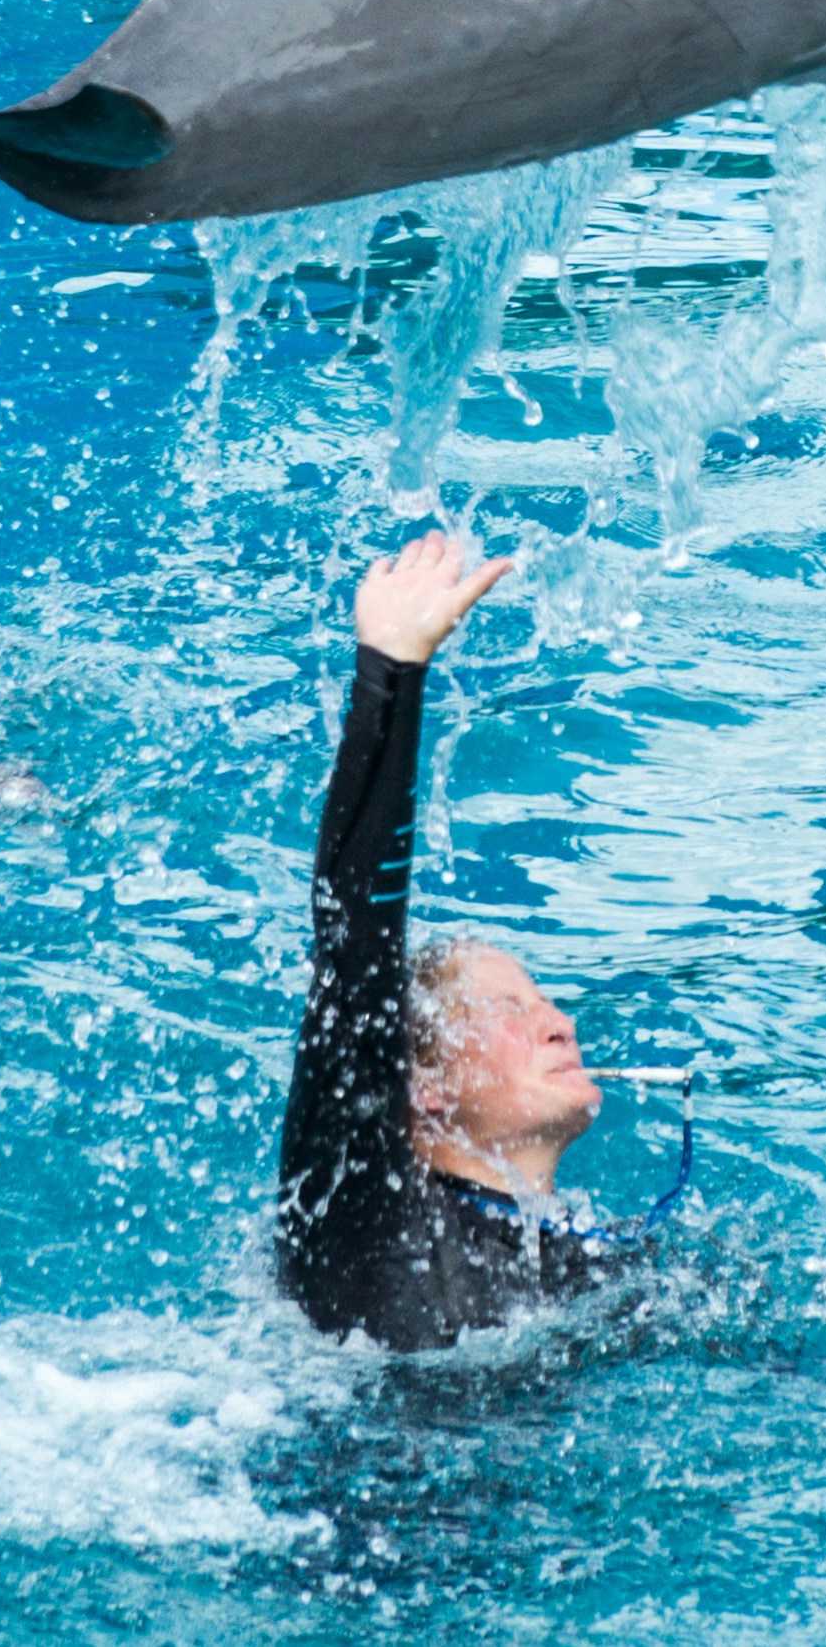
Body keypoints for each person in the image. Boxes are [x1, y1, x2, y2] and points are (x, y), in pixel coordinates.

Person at [275, 526, 625, 1346]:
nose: (558, 1022)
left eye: (542, 1000)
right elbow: (353, 943)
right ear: (419, 1082)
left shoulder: (610, 1272)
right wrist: (391, 671)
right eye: (509, 1007)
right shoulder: (362, 1215)